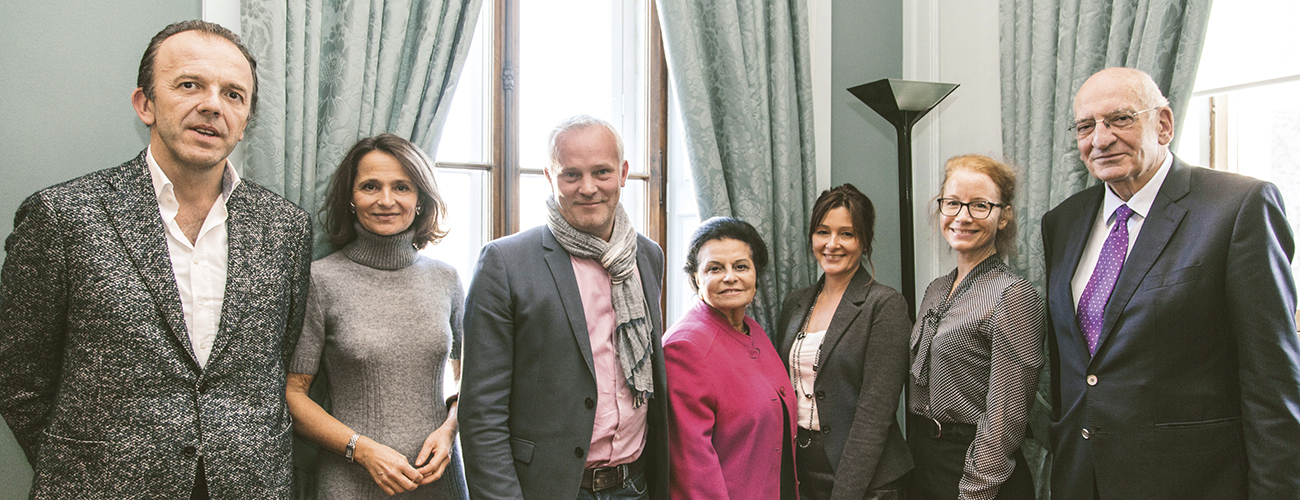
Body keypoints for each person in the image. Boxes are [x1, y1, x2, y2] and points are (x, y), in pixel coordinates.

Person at [0, 20, 312, 498]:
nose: (212, 104)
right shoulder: (64, 216)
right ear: (144, 104)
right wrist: (80, 469)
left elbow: (275, 360)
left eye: (233, 94)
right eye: (190, 85)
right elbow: (18, 373)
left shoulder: (286, 228)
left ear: (246, 118)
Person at [1041, 67, 1300, 500]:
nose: (1100, 139)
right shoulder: (1062, 222)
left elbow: (1273, 383)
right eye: (1085, 126)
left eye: (1119, 119)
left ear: (1163, 124)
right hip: (1081, 479)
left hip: (1193, 483)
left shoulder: (1238, 208)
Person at [460, 115, 668, 500]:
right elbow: (480, 414)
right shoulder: (505, 263)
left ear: (623, 173)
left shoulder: (647, 256)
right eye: (571, 175)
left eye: (601, 172)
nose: (588, 188)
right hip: (551, 488)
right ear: (549, 177)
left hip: (635, 484)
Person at [285, 134, 468, 499]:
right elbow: (293, 394)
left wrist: (450, 429)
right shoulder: (320, 280)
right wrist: (362, 449)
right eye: (370, 186)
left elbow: (473, 381)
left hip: (436, 481)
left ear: (420, 200)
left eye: (402, 187)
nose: (386, 200)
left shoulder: (446, 279)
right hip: (350, 482)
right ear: (351, 199)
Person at [908, 155, 1044, 500]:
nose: (963, 216)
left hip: (978, 471)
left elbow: (1005, 418)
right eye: (952, 203)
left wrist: (975, 491)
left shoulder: (1013, 295)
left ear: (1004, 216)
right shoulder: (937, 289)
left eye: (980, 205)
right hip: (926, 462)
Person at [775, 185, 913, 500]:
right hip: (802, 472)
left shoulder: (885, 305)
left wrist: (846, 493)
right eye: (823, 232)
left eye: (847, 234)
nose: (832, 244)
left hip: (867, 480)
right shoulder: (795, 304)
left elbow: (874, 415)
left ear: (864, 242)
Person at [665, 216, 798, 500]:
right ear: (695, 278)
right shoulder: (684, 347)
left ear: (756, 275)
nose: (730, 277)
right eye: (715, 268)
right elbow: (692, 472)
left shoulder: (753, 330)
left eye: (741, 266)